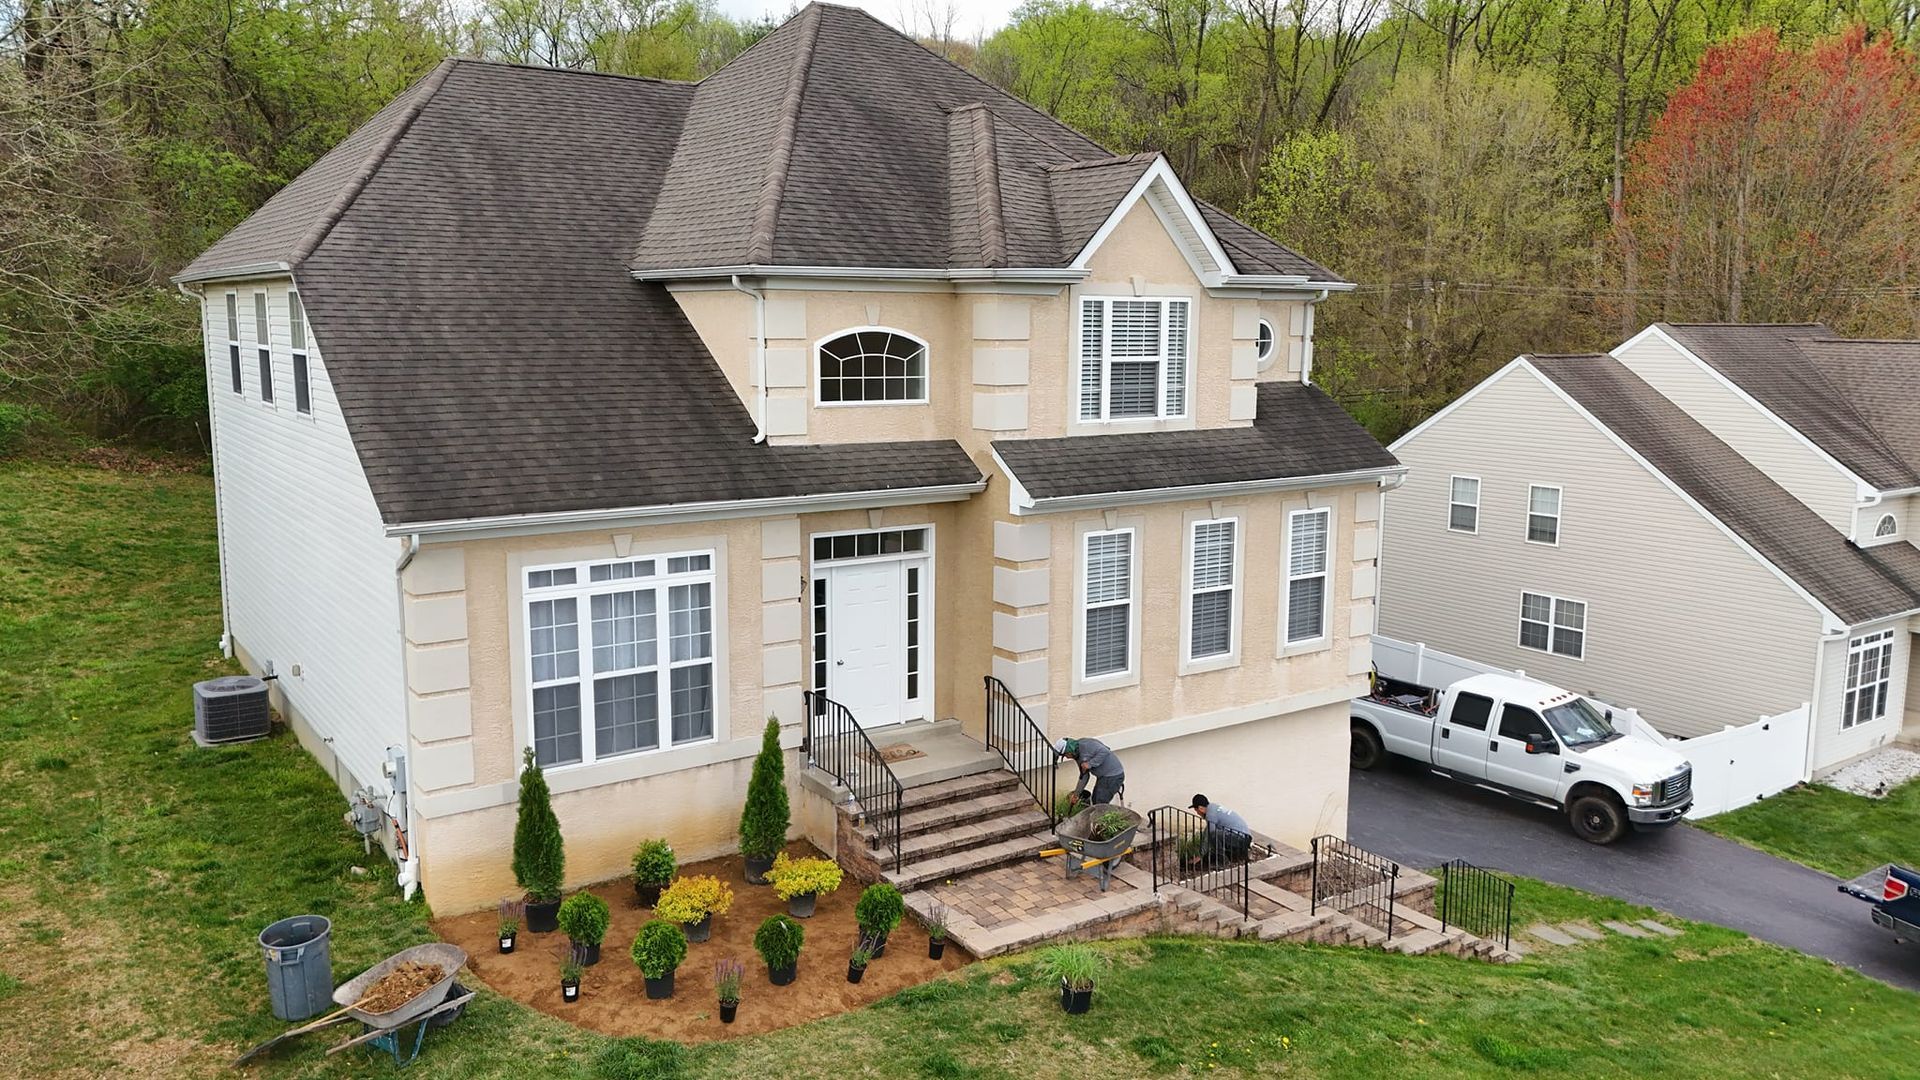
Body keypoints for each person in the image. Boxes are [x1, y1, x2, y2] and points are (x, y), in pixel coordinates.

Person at [1053, 736, 1124, 809]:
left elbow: (1105, 751)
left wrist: (1090, 764)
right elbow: (1084, 776)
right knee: (1095, 800)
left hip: (1113, 776)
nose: (1067, 757)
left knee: (1100, 804)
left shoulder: (1087, 745)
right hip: (1103, 777)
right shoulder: (1077, 756)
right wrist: (1076, 794)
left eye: (1065, 755)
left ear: (1070, 750)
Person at [1189, 794, 1252, 867]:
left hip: (1240, 838)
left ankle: (1222, 862)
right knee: (1215, 834)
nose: (1197, 813)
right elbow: (1207, 830)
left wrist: (1200, 855)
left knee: (1214, 835)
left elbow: (1210, 834)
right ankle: (1240, 855)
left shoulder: (1210, 815)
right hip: (1245, 837)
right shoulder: (1213, 807)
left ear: (1200, 808)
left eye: (1196, 810)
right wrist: (1202, 852)